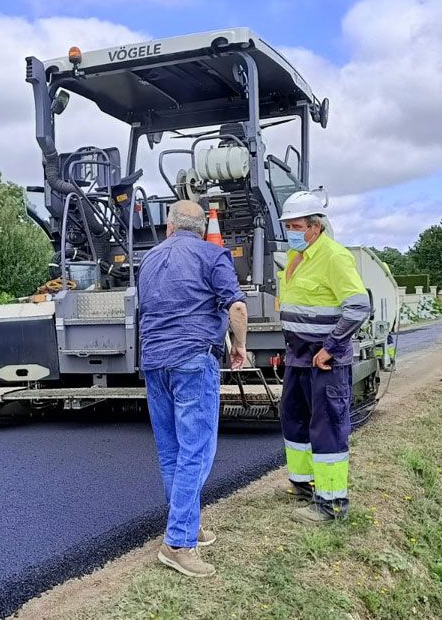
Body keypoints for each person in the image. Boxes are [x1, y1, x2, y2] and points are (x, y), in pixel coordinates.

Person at [138, 200, 249, 578]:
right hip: (192, 360)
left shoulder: (149, 259)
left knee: (171, 451)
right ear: (202, 229)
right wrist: (240, 346)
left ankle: (188, 522)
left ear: (169, 228)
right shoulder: (213, 255)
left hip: (153, 361)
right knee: (196, 451)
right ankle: (179, 543)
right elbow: (237, 309)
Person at [274, 190, 371, 524]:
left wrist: (330, 347)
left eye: (296, 225)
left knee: (327, 426)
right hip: (298, 356)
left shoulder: (334, 257)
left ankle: (331, 504)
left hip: (325, 360)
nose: (291, 231)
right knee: (293, 419)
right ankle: (303, 484)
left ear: (315, 227)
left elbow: (358, 307)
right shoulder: (294, 256)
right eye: (287, 225)